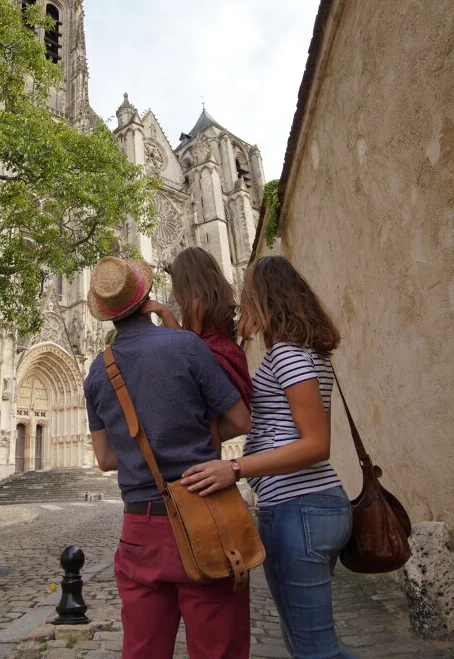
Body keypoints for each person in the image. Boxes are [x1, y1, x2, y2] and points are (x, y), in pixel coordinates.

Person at [182, 256, 356, 659]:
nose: (243, 301)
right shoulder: (306, 353)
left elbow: (316, 444)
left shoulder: (288, 355)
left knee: (314, 649)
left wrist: (236, 468)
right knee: (307, 643)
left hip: (298, 508)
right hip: (315, 506)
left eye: (248, 292)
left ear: (265, 296)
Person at [83, 256, 253, 659]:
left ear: (107, 315)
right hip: (204, 512)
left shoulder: (96, 371)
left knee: (143, 649)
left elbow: (105, 459)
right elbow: (241, 419)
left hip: (139, 527)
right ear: (147, 299)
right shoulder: (186, 345)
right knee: (219, 649)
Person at [143, 246, 253, 411]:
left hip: (215, 362)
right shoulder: (216, 297)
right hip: (230, 354)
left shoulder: (197, 303)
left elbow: (189, 344)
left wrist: (165, 313)